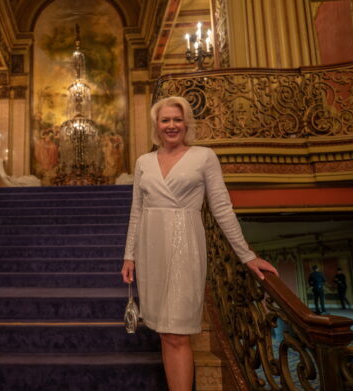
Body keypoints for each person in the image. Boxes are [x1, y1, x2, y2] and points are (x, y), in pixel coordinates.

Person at [120, 96, 278, 391]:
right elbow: (137, 212)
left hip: (186, 247)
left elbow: (222, 209)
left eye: (177, 120)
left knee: (179, 333)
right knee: (165, 333)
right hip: (150, 248)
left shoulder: (204, 156)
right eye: (165, 120)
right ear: (156, 125)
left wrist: (247, 256)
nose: (171, 125)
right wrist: (130, 256)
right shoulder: (143, 161)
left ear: (186, 123)